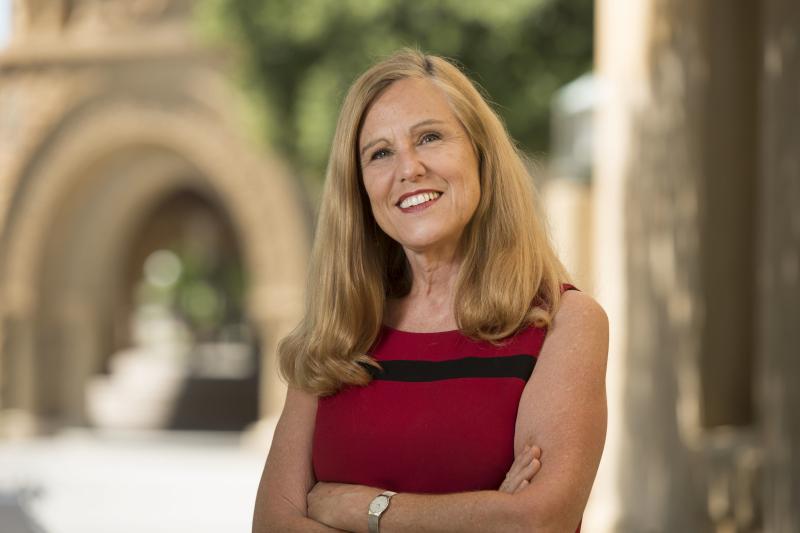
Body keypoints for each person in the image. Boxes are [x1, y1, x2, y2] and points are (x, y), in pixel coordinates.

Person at [252, 48, 608, 533]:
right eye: (380, 153)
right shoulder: (336, 336)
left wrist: (365, 510)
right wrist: (482, 515)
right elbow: (273, 525)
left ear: (480, 154)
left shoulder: (564, 323)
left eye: (430, 137)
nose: (409, 168)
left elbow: (535, 522)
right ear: (360, 188)